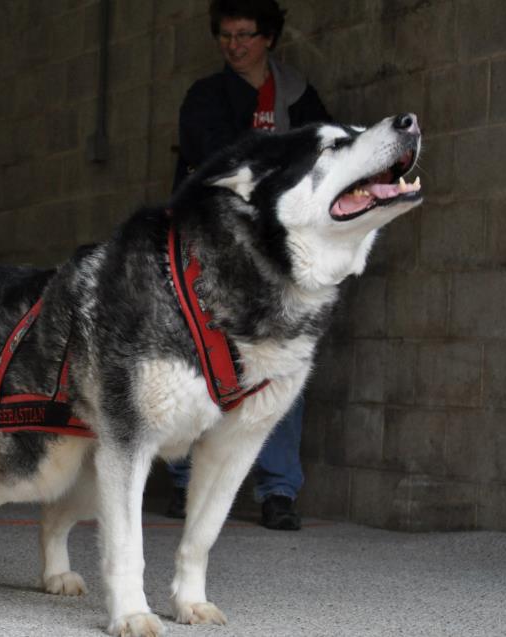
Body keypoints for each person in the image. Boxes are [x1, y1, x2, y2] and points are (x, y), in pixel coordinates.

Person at [166, 0, 330, 530]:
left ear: (270, 38)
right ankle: (185, 480)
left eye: (245, 35)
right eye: (226, 36)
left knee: (282, 360)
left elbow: (325, 161)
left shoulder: (300, 96)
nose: (235, 45)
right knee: (199, 354)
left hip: (283, 250)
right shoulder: (206, 96)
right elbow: (217, 156)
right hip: (213, 244)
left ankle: (278, 490)